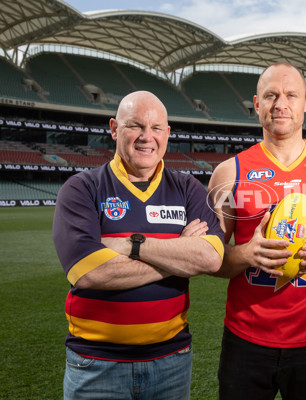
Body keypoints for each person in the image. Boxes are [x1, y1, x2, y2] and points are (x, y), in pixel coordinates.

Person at [52, 90, 225, 400]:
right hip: (95, 365)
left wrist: (132, 245)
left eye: (157, 127)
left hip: (171, 361)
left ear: (168, 134)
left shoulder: (187, 188)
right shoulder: (82, 188)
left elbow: (209, 258)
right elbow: (90, 273)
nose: (147, 137)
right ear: (115, 129)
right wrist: (178, 253)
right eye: (135, 126)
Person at [207, 61, 306, 400]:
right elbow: (209, 260)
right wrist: (246, 254)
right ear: (256, 103)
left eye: (291, 95)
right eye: (271, 95)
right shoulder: (228, 173)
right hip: (246, 337)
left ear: (305, 102)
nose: (281, 104)